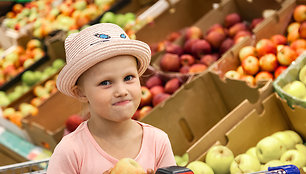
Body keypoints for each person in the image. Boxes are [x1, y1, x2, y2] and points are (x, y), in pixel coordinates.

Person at [47, 23, 176, 174]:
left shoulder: (157, 142)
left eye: (128, 78)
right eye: (106, 83)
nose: (121, 91)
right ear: (81, 93)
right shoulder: (71, 152)